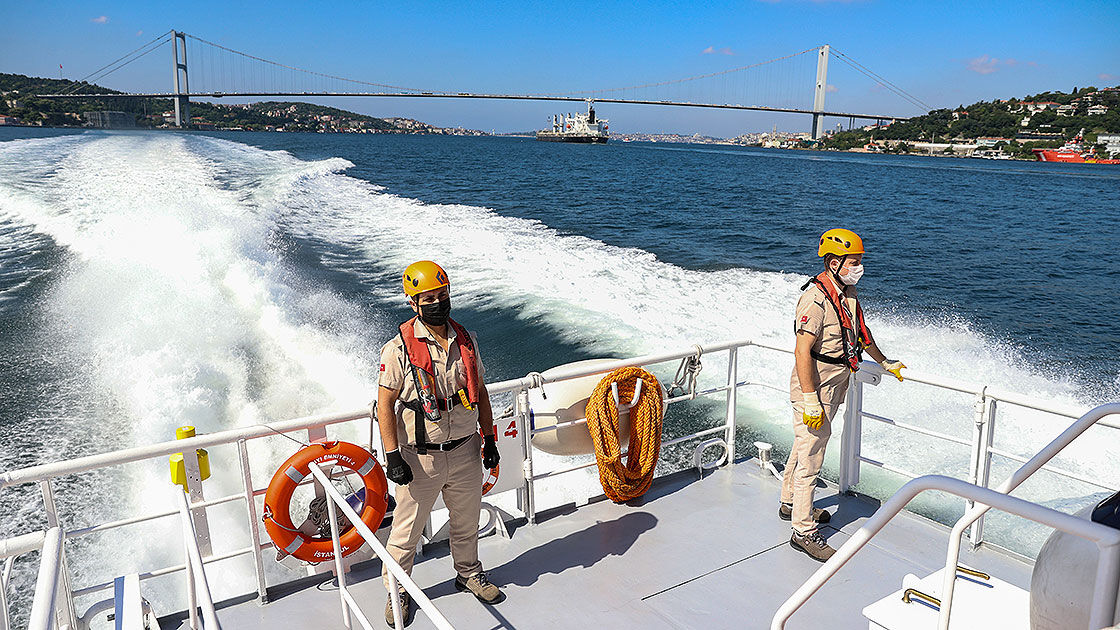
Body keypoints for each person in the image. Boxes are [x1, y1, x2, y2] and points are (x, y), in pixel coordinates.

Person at [376, 260, 503, 627]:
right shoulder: (397, 350)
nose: (438, 303)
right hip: (421, 458)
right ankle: (397, 590)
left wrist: (489, 438)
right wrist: (392, 455)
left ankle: (468, 573)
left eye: (443, 295)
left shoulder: (467, 340)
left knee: (466, 521)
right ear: (413, 303)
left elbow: (479, 393)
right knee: (406, 531)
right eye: (429, 298)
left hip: (465, 448)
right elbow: (385, 403)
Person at [780, 229, 906, 562]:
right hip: (815, 385)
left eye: (860, 261)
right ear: (834, 263)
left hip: (837, 383)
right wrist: (809, 399)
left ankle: (790, 500)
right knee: (811, 458)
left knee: (805, 444)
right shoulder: (815, 299)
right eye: (854, 262)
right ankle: (803, 531)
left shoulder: (848, 294)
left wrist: (885, 362)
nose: (859, 268)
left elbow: (862, 334)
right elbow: (802, 351)